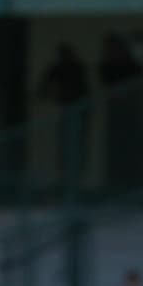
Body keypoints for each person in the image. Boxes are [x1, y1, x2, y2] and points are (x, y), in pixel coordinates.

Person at [38, 43, 90, 186]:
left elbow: (84, 89)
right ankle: (66, 181)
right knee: (66, 147)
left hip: (79, 112)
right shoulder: (58, 68)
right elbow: (44, 87)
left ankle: (74, 181)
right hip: (67, 111)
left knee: (76, 148)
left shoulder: (77, 68)